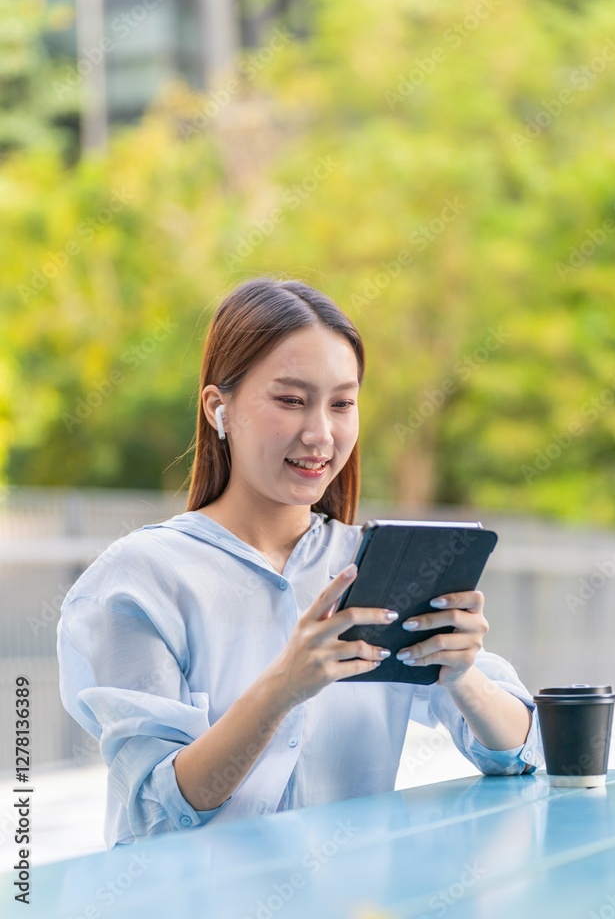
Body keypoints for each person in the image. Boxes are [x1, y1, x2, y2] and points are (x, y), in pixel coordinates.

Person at [57, 276, 543, 849]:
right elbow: (156, 809)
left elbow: (524, 752)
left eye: (342, 404)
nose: (320, 434)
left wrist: (463, 677)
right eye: (290, 400)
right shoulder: (138, 580)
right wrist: (282, 688)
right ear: (218, 408)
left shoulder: (378, 565)